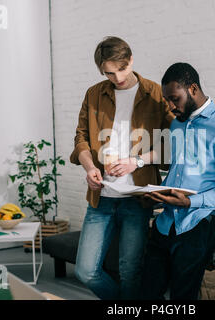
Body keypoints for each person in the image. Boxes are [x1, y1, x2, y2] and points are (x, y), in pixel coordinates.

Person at [69, 36, 174, 300]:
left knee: (130, 271)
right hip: (101, 198)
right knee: (85, 271)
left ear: (131, 60)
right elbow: (80, 136)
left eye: (122, 69)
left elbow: (174, 144)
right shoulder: (94, 94)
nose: (117, 78)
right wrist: (90, 166)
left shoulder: (155, 94)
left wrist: (136, 161)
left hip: (137, 198)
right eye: (109, 73)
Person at [141, 62, 215, 300]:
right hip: (168, 218)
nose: (170, 106)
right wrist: (158, 196)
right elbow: (179, 170)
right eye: (167, 100)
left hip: (201, 218)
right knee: (146, 292)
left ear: (193, 89)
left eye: (174, 99)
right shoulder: (177, 123)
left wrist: (191, 202)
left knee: (182, 296)